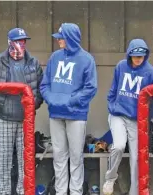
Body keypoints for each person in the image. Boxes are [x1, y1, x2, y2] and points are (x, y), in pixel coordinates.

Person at [40, 23, 98, 194]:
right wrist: (52, 100)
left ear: (70, 39)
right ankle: (60, 192)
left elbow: (91, 88)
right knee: (59, 156)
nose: (58, 41)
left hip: (76, 115)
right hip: (55, 114)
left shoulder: (87, 59)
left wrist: (69, 101)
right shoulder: (55, 57)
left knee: (76, 157)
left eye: (61, 38)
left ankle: (75, 191)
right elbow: (45, 85)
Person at [0, 27, 43, 195]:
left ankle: (23, 191)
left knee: (25, 160)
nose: (21, 44)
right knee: (4, 159)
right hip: (4, 118)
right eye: (18, 41)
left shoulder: (33, 61)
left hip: (26, 119)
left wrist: (33, 106)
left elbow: (41, 88)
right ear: (10, 42)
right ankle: (2, 192)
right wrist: (1, 104)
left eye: (23, 41)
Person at [103, 39, 153, 195]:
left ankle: (135, 192)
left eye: (140, 55)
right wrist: (112, 106)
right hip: (118, 115)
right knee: (119, 146)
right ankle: (110, 179)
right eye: (134, 55)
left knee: (137, 159)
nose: (137, 58)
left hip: (138, 120)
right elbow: (113, 90)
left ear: (145, 55)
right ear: (129, 54)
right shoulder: (121, 66)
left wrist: (148, 117)